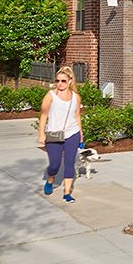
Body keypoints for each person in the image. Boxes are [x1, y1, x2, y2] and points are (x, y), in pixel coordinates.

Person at [37, 66, 82, 203]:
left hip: (72, 134)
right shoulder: (50, 96)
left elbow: (77, 116)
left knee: (69, 163)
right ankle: (50, 180)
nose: (60, 83)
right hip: (53, 135)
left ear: (70, 81)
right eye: (57, 81)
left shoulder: (76, 97)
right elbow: (43, 115)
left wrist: (80, 134)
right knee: (54, 165)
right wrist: (41, 134)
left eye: (63, 81)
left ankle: (67, 193)